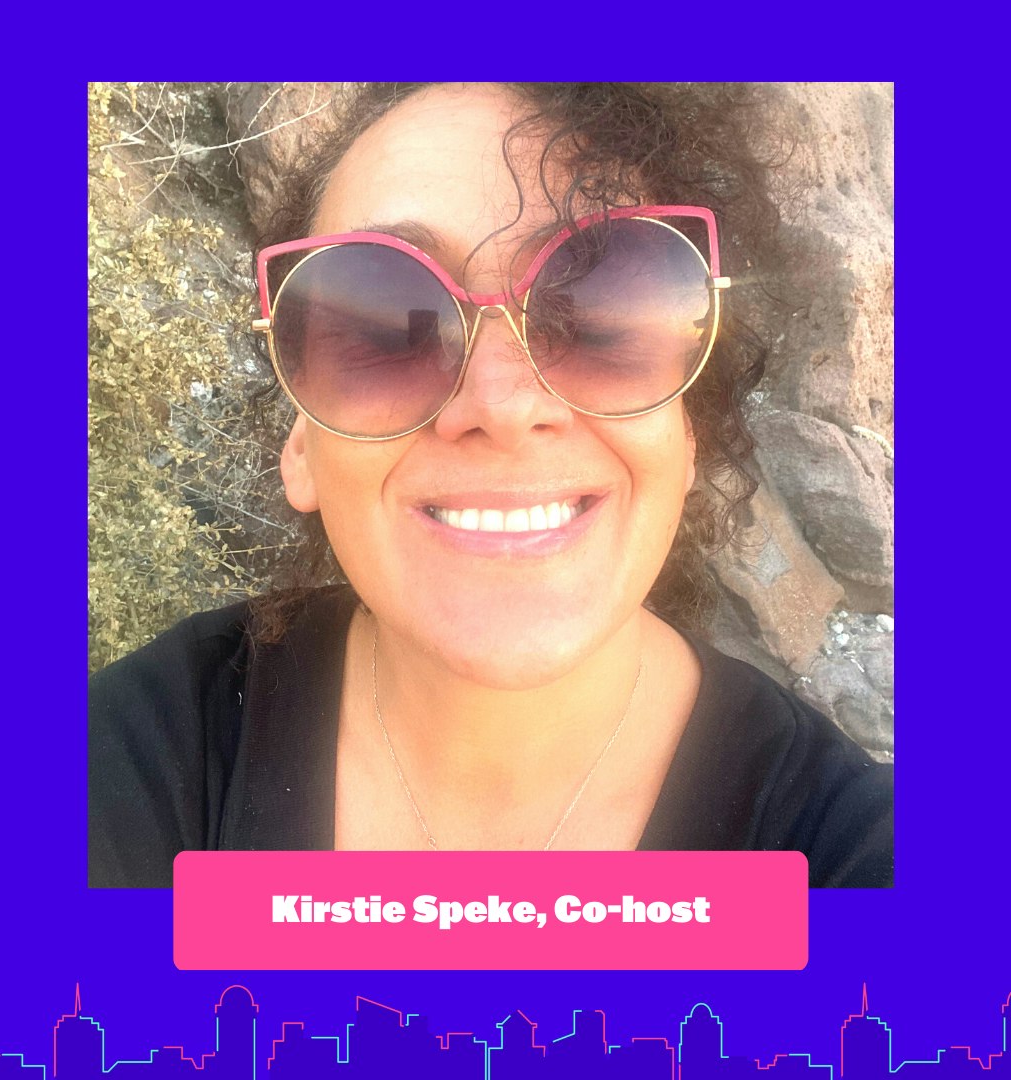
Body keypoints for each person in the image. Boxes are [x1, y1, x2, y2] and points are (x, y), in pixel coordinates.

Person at [89, 83, 892, 888]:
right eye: (384, 331)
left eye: (599, 318)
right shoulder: (144, 760)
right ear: (301, 446)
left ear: (689, 436)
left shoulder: (851, 857)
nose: (503, 408)